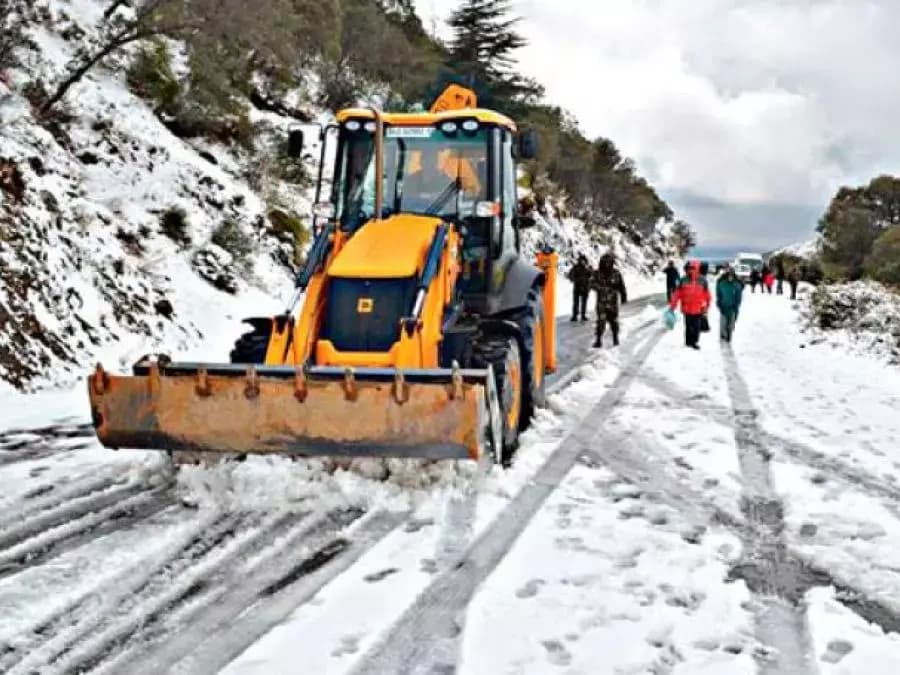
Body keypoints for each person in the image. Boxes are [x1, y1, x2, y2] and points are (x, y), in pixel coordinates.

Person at [669, 260, 711, 349]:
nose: (691, 270)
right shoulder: (683, 280)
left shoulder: (702, 280)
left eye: (693, 268)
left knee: (696, 327)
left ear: (697, 269)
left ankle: (694, 342)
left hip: (698, 308)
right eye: (689, 268)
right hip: (686, 308)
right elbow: (677, 294)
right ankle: (688, 342)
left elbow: (707, 295)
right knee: (688, 326)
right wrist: (672, 306)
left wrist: (706, 306)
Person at [591, 253, 628, 348]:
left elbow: (622, 286)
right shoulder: (597, 273)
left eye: (609, 262)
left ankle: (615, 339)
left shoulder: (616, 273)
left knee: (614, 321)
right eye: (605, 262)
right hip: (601, 302)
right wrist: (599, 287)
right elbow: (591, 283)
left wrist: (623, 296)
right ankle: (598, 340)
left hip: (613, 302)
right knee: (601, 321)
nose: (607, 264)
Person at [716, 265, 743, 343]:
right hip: (723, 306)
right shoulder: (722, 284)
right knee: (723, 322)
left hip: (733, 307)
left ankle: (729, 334)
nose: (730, 277)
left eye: (732, 276)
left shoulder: (737, 285)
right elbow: (719, 294)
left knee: (731, 322)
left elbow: (739, 296)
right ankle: (723, 334)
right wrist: (719, 303)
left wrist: (736, 305)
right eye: (729, 276)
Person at [567, 254, 592, 321]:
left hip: (585, 287)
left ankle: (583, 315)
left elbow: (592, 276)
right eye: (581, 260)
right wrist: (575, 279)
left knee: (584, 303)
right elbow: (570, 275)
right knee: (576, 303)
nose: (582, 262)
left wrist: (589, 280)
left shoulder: (588, 267)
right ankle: (575, 316)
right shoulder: (575, 267)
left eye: (583, 260)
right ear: (579, 260)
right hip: (577, 287)